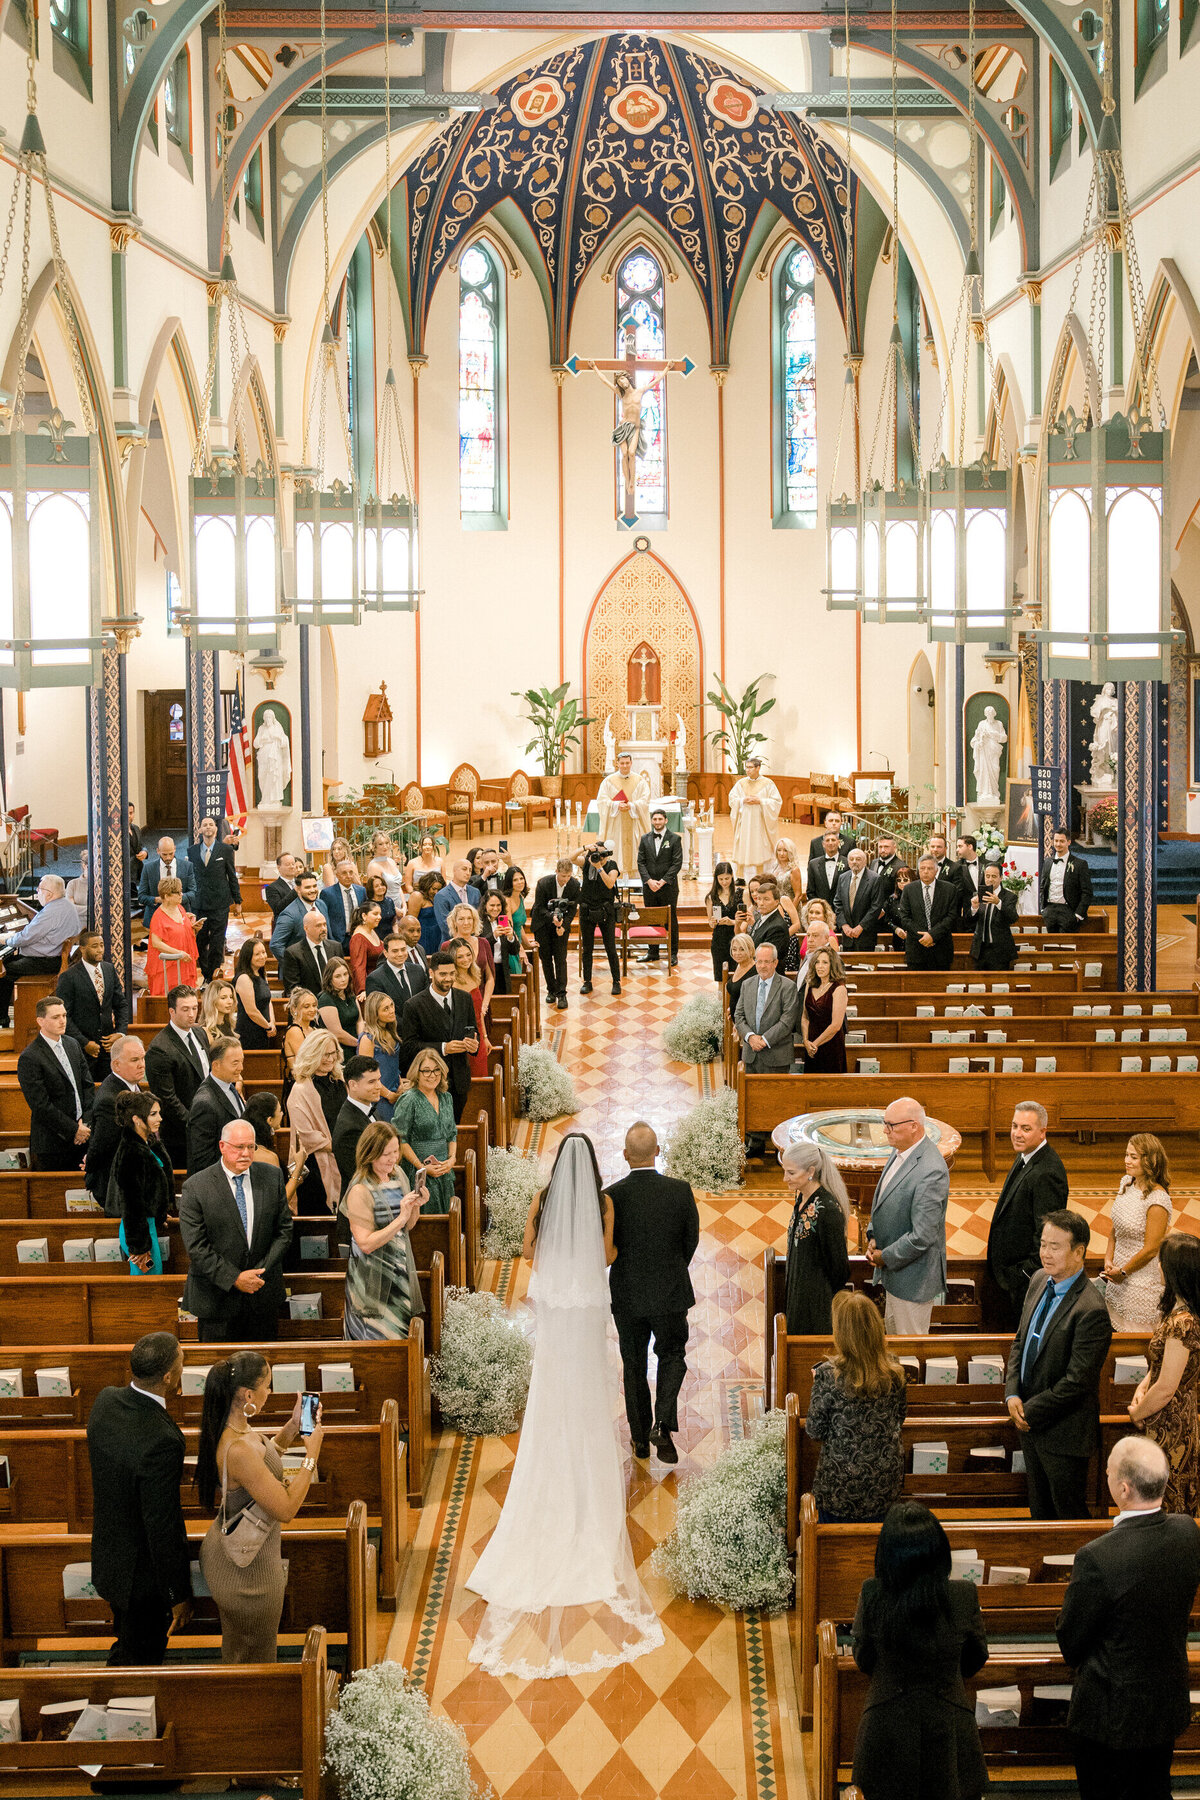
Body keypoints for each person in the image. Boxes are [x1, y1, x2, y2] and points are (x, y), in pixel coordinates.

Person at [467, 1133, 664, 1678]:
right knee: (589, 1390)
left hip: (554, 1305)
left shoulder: (543, 1195)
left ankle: (549, 1463)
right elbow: (606, 1256)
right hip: (586, 1306)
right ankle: (588, 1468)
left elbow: (528, 1250)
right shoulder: (602, 1202)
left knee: (551, 1387)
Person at [1056, 1435, 1200, 1800]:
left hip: (1112, 1715)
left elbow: (1070, 1643)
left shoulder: (1096, 1556)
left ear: (1122, 1488)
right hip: (1164, 1702)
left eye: (1107, 1472)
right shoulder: (1188, 1531)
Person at [850, 1501, 989, 1800]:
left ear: (886, 1554)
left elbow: (863, 1658)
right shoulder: (964, 1594)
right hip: (949, 1721)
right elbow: (976, 1656)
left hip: (886, 1722)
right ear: (939, 1550)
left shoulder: (872, 1593)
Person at [196, 1352, 324, 1662]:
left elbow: (264, 1459)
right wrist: (312, 1455)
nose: (271, 1392)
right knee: (253, 1655)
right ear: (247, 1394)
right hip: (244, 1570)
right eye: (267, 1385)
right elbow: (286, 1509)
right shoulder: (236, 1448)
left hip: (247, 1554)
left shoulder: (236, 1427)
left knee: (244, 1649)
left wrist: (294, 1427)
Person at [86, 1332, 192, 1665]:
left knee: (127, 1640)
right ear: (168, 1378)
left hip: (109, 1560)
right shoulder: (163, 1439)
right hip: (142, 1579)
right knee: (138, 1659)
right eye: (182, 1363)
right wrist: (177, 1594)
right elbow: (163, 1526)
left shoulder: (105, 1401)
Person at [1005, 1209, 1113, 1518]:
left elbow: (1077, 1383)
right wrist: (1012, 1393)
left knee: (1067, 1516)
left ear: (1079, 1252)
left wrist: (1029, 1410)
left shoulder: (1091, 1309)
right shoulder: (1040, 1279)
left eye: (1055, 1246)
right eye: (1043, 1244)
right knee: (1039, 1513)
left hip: (1062, 1434)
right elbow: (1020, 1341)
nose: (1045, 1253)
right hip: (1028, 1424)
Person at [606, 1121, 699, 1464]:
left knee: (633, 1364)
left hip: (628, 1294)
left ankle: (640, 1440)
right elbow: (691, 1239)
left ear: (626, 1154)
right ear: (658, 1152)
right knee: (672, 1354)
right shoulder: (680, 1190)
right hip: (670, 1292)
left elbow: (608, 1246)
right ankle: (662, 1422)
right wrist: (674, 1268)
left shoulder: (612, 1196)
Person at [180, 1119, 293, 1341]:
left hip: (262, 1296)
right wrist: (235, 1278)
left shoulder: (272, 1177)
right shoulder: (196, 1186)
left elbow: (284, 1231)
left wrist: (259, 1272)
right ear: (222, 1146)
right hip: (217, 1300)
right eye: (239, 1147)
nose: (245, 1153)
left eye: (251, 1147)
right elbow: (197, 1247)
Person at [805, 1292, 907, 1522]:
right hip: (884, 1486)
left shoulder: (827, 1375)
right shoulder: (895, 1370)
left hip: (839, 1490)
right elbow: (900, 1416)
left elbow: (814, 1430)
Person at [1127, 1233, 1200, 1513]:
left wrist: (1137, 1412)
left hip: (1172, 1426)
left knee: (1168, 1501)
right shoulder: (1175, 1314)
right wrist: (1143, 1387)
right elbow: (1158, 1370)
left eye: (1161, 1262)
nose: (1157, 1266)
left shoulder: (1184, 1324)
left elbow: (1168, 1386)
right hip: (1161, 1418)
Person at [866, 1097, 949, 1335]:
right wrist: (873, 1236)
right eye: (885, 1123)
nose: (885, 1130)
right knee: (894, 1346)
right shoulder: (901, 1150)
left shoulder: (931, 1170)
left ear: (914, 1125)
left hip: (913, 1280)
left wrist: (885, 1257)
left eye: (892, 1125)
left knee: (909, 1353)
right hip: (895, 1273)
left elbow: (922, 1236)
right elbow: (885, 1200)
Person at [985, 1100, 1071, 1324]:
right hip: (1005, 1279)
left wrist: (1020, 1276)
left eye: (1026, 1128)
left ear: (1042, 1132)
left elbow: (1048, 1236)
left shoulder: (1047, 1173)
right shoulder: (1025, 1156)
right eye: (1014, 1126)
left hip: (1021, 1285)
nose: (1017, 1134)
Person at [343, 1121, 426, 1338]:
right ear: (370, 1154)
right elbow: (366, 1243)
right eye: (386, 1154)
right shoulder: (360, 1189)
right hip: (371, 1277)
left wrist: (415, 1205)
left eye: (396, 1151)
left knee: (400, 1336)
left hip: (398, 1270)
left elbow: (409, 1224)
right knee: (375, 1338)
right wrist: (401, 1218)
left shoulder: (398, 1174)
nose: (393, 1159)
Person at [780, 1138, 852, 1334]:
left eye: (791, 1173)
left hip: (817, 1305)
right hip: (798, 1295)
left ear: (811, 1171)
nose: (785, 1178)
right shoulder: (802, 1198)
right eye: (785, 1171)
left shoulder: (826, 1209)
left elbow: (839, 1267)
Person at [1103, 1132, 1172, 1331]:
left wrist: (1123, 1272)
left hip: (1140, 1284)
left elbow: (1151, 1249)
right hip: (1116, 1278)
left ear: (1150, 1161)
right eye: (1126, 1155)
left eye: (1133, 1157)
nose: (1127, 1161)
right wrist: (1109, 1259)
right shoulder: (1126, 1182)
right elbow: (1115, 1227)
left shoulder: (1157, 1200)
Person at [399, 951, 478, 1122]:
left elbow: (471, 1029)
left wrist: (473, 1045)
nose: (448, 978)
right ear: (431, 973)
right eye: (443, 974)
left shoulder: (464, 998)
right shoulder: (413, 1005)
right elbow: (409, 1046)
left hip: (459, 1081)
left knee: (455, 1127)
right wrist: (443, 1047)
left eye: (452, 973)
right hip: (430, 1081)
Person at [17, 995, 94, 1170]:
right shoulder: (30, 1057)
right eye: (55, 1017)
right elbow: (41, 1106)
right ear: (40, 1021)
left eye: (64, 1016)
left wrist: (86, 1124)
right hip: (53, 1143)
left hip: (84, 1135)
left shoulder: (73, 1044)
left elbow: (87, 1086)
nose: (62, 1021)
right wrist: (74, 1130)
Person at [0, 873, 82, 1027]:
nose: (37, 893)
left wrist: (6, 939)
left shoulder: (51, 912)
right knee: (8, 961)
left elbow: (25, 938)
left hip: (45, 962)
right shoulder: (65, 905)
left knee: (4, 972)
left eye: (39, 890)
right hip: (52, 957)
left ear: (49, 894)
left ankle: (2, 1017)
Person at [145, 986, 210, 1171]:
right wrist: (195, 1125)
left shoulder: (200, 1033)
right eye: (185, 1009)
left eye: (195, 1008)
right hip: (182, 1135)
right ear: (171, 1011)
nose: (192, 1014)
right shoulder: (160, 1048)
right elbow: (168, 1100)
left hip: (205, 1126)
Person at [110, 1090, 174, 1272]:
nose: (160, 1118)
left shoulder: (146, 1143)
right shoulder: (131, 1152)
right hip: (139, 1233)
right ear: (137, 1119)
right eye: (153, 1114)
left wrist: (160, 1213)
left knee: (154, 1276)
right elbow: (131, 1202)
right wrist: (139, 1247)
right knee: (147, 1283)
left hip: (147, 1226)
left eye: (159, 1113)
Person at [57, 928, 129, 1080]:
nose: (100, 950)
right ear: (82, 949)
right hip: (82, 1048)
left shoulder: (109, 969)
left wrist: (120, 1033)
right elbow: (64, 1016)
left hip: (108, 1046)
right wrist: (84, 1043)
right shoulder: (69, 977)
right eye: (94, 946)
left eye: (101, 945)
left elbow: (121, 1004)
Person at [392, 1048, 458, 1213]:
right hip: (418, 1172)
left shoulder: (446, 1097)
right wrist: (421, 1167)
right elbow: (400, 1138)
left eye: (436, 1070)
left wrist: (452, 1159)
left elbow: (452, 1134)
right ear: (417, 1073)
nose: (432, 1075)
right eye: (426, 1071)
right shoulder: (409, 1100)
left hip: (443, 1171)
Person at [287, 1030, 346, 1214]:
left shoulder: (339, 1082)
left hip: (343, 1160)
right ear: (313, 1054)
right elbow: (305, 1135)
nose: (330, 1059)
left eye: (333, 1053)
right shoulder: (301, 1089)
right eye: (325, 1054)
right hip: (316, 1168)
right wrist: (340, 1145)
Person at [86, 1032, 146, 1207]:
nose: (142, 1065)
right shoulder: (110, 1100)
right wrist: (89, 1161)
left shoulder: (132, 1086)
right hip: (117, 1186)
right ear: (116, 1065)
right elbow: (102, 1146)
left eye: (143, 1058)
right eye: (135, 1060)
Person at [188, 815, 242, 982]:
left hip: (220, 903)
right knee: (200, 941)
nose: (208, 827)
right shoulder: (192, 851)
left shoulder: (225, 850)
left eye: (211, 824)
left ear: (216, 829)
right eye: (205, 825)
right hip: (200, 903)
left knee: (217, 943)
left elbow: (231, 876)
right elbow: (189, 877)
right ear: (200, 830)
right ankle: (205, 974)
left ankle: (213, 976)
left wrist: (238, 901)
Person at [734, 942, 798, 1077]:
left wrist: (763, 1040)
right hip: (750, 1054)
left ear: (775, 963)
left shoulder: (788, 986)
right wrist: (750, 1037)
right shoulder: (747, 984)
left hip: (776, 1056)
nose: (762, 966)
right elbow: (739, 1016)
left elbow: (787, 1021)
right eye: (759, 961)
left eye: (767, 962)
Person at [186, 1035, 246, 1177]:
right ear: (216, 1065)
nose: (241, 1068)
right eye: (235, 1063)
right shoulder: (204, 1104)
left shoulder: (229, 1087)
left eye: (242, 1061)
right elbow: (203, 1159)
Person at [244, 1090, 308, 1213]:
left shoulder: (254, 1146)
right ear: (269, 1120)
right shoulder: (265, 1156)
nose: (283, 1114)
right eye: (279, 1111)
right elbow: (279, 1201)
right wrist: (299, 1166)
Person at [531, 858, 581, 1010]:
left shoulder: (574, 884)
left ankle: (561, 993)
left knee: (560, 959)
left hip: (561, 926)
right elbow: (538, 908)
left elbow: (572, 909)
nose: (565, 880)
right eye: (563, 876)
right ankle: (551, 990)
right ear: (556, 871)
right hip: (543, 925)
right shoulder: (543, 883)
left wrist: (564, 926)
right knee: (546, 959)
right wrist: (552, 918)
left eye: (568, 876)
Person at [636, 807, 682, 966]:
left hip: (668, 887)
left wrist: (662, 881)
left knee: (671, 919)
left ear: (666, 820)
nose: (657, 822)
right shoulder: (644, 838)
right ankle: (652, 951)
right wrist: (648, 881)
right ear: (651, 821)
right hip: (649, 887)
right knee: (652, 918)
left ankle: (673, 953)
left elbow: (677, 863)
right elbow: (640, 862)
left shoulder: (675, 839)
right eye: (654, 819)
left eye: (660, 819)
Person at [332, 1054, 385, 1194]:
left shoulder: (370, 1110)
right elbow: (361, 1176)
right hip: (362, 1206)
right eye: (371, 1082)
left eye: (379, 1079)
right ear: (353, 1085)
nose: (379, 1086)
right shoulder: (350, 1128)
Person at [896, 853, 958, 971]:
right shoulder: (909, 889)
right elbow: (904, 917)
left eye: (929, 868)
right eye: (922, 868)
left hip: (941, 949)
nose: (925, 871)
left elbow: (951, 917)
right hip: (916, 949)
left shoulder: (949, 889)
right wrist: (923, 936)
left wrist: (932, 935)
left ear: (936, 870)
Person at [576, 838, 621, 995]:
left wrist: (599, 868)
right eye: (596, 854)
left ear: (607, 854)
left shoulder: (612, 865)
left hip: (605, 911)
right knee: (587, 948)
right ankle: (587, 981)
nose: (598, 857)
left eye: (601, 854)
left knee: (610, 948)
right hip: (586, 910)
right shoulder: (587, 862)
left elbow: (610, 883)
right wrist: (585, 847)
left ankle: (616, 981)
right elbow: (570, 858)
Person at [596, 751, 652, 874]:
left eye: (627, 763)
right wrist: (616, 805)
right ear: (618, 764)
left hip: (633, 821)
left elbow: (645, 800)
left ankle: (636, 878)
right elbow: (602, 800)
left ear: (631, 763)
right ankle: (616, 874)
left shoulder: (640, 780)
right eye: (622, 763)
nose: (625, 766)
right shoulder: (608, 781)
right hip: (616, 823)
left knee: (635, 850)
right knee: (616, 849)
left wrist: (631, 806)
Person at [729, 755, 782, 878]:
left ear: (758, 768)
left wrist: (761, 801)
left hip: (760, 823)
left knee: (759, 847)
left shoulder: (768, 783)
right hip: (745, 823)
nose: (747, 770)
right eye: (746, 767)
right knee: (743, 846)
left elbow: (776, 801)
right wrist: (742, 800)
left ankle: (761, 875)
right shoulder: (740, 783)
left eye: (750, 767)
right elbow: (732, 799)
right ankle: (741, 876)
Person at [145, 877, 200, 996]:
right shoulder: (158, 917)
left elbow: (182, 931)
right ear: (166, 896)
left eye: (181, 891)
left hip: (184, 960)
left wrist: (194, 927)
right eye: (178, 892)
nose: (181, 895)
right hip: (169, 964)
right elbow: (156, 943)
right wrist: (179, 953)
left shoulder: (180, 908)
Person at [800, 945, 848, 1074]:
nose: (820, 966)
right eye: (817, 962)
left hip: (830, 1045)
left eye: (825, 962)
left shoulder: (839, 988)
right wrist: (805, 1041)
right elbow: (805, 1016)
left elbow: (836, 1025)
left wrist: (815, 1044)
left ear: (832, 965)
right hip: (810, 1044)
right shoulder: (810, 984)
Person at [447, 936, 491, 1077]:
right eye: (460, 957)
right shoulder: (453, 982)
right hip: (465, 1040)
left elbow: (478, 1013)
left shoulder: (474, 974)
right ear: (453, 959)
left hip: (479, 1036)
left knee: (482, 1075)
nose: (466, 959)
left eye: (468, 955)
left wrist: (484, 1037)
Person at [1039, 827, 1093, 929]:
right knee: (1049, 944)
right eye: (1056, 841)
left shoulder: (1080, 864)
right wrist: (1043, 908)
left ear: (1068, 842)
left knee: (1067, 944)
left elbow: (1087, 892)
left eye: (1062, 841)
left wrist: (1078, 915)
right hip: (1049, 911)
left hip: (1069, 911)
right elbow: (1043, 886)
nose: (1058, 844)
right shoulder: (1047, 862)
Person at [358, 990, 401, 1117]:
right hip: (379, 1099)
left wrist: (400, 1085)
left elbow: (393, 1066)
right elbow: (366, 1074)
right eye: (386, 1009)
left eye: (391, 1005)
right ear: (375, 1014)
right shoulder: (368, 1039)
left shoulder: (392, 1032)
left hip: (395, 1095)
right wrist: (388, 1094)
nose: (391, 1010)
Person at [137, 836, 197, 925]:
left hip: (180, 918)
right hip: (155, 919)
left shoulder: (187, 866)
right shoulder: (148, 868)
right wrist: (156, 900)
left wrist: (177, 899)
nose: (168, 857)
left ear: (175, 849)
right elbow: (141, 897)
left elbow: (193, 893)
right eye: (164, 854)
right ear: (158, 851)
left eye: (171, 853)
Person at [269, 870, 324, 966]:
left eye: (314, 886)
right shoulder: (289, 914)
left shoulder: (321, 905)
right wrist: (294, 964)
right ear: (298, 890)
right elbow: (276, 945)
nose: (312, 890)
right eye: (307, 887)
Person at [970, 862, 1018, 968]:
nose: (990, 879)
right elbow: (968, 922)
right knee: (978, 983)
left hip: (1000, 950)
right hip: (980, 949)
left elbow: (1013, 918)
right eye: (987, 876)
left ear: (1001, 877)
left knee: (999, 983)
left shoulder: (1009, 897)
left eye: (994, 876)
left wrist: (998, 903)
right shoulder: (978, 895)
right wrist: (974, 907)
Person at [834, 848, 884, 953]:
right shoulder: (843, 877)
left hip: (865, 934)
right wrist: (844, 925)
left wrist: (860, 927)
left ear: (865, 861)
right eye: (851, 859)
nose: (854, 862)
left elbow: (876, 907)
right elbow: (838, 903)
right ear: (848, 862)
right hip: (847, 934)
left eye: (858, 859)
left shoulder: (875, 879)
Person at [232, 936, 276, 1050]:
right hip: (249, 1031)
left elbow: (268, 1000)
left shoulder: (261, 973)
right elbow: (251, 1011)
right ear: (248, 957)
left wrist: (272, 1022)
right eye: (257, 954)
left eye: (264, 952)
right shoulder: (244, 978)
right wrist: (267, 1026)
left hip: (264, 1028)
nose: (262, 956)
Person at [367, 929, 426, 1011]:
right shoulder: (375, 979)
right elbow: (378, 1010)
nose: (400, 954)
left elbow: (425, 1000)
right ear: (386, 953)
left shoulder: (418, 970)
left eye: (403, 949)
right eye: (395, 951)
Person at [280, 906, 331, 999]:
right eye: (318, 925)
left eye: (325, 924)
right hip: (308, 1006)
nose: (323, 929)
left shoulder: (335, 947)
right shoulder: (293, 953)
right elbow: (293, 988)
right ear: (306, 928)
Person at [479, 888, 524, 994]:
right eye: (492, 905)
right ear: (485, 906)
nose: (495, 908)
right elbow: (479, 947)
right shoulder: (479, 924)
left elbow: (514, 951)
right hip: (486, 971)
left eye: (498, 905)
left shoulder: (505, 921)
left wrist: (510, 937)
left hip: (502, 970)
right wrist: (494, 936)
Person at [318, 859, 366, 954]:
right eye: (344, 873)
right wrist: (331, 940)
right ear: (337, 875)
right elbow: (325, 918)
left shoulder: (361, 891)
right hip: (338, 940)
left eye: (351, 872)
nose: (348, 876)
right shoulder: (328, 893)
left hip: (359, 937)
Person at [706, 862, 743, 981]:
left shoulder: (740, 894)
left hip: (736, 938)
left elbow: (745, 921)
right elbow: (710, 923)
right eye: (721, 879)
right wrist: (713, 922)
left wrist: (732, 922)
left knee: (737, 974)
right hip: (719, 939)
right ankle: (721, 998)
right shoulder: (711, 897)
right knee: (720, 975)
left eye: (727, 878)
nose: (724, 882)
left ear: (732, 876)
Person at [317, 955, 362, 1051]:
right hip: (339, 1049)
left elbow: (359, 1021)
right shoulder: (325, 999)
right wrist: (359, 1044)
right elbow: (337, 1034)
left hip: (357, 1045)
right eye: (338, 976)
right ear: (329, 978)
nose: (343, 979)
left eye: (345, 974)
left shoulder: (350, 994)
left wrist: (362, 1039)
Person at [282, 986, 318, 1092]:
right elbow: (306, 1062)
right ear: (294, 1009)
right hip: (300, 1085)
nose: (312, 1010)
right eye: (306, 1007)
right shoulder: (295, 1031)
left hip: (314, 1081)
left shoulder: (313, 1029)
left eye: (314, 1005)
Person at [433, 859, 481, 938]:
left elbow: (478, 919)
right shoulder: (441, 895)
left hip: (473, 941)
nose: (468, 873)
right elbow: (444, 925)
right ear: (454, 871)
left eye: (470, 870)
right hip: (451, 943)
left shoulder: (475, 892)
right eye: (464, 869)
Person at [749, 877, 791, 964]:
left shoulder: (777, 927)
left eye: (766, 899)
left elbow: (766, 959)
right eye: (759, 899)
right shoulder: (761, 918)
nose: (761, 903)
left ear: (776, 902)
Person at [806, 828, 849, 908]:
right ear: (823, 844)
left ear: (838, 842)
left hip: (841, 911)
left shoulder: (847, 863)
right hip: (821, 911)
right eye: (827, 840)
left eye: (833, 840)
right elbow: (810, 891)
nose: (830, 843)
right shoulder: (813, 864)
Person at [365, 831, 406, 909]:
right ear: (374, 847)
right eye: (381, 844)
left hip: (399, 905)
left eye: (387, 843)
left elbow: (398, 886)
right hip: (385, 908)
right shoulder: (373, 866)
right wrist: (394, 910)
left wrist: (404, 905)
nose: (385, 846)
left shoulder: (391, 861)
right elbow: (376, 893)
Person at [411, 870, 448, 956]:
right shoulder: (417, 896)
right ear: (426, 886)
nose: (436, 892)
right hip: (423, 937)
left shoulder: (441, 897)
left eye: (439, 889)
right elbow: (411, 920)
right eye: (433, 889)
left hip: (439, 936)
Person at [883, 864, 914, 953]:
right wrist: (896, 929)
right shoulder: (892, 898)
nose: (902, 882)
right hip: (897, 938)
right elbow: (887, 920)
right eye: (899, 880)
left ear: (912, 880)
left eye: (905, 880)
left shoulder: (918, 897)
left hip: (914, 938)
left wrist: (912, 931)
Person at [724, 930, 756, 1018]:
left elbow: (752, 1005)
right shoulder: (739, 965)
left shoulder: (755, 972)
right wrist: (732, 1008)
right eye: (734, 949)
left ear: (750, 950)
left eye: (742, 949)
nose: (737, 953)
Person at [263, 851, 303, 918]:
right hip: (286, 921)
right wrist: (295, 890)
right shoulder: (272, 888)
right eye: (288, 864)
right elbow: (277, 909)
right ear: (279, 867)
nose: (292, 867)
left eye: (293, 864)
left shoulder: (301, 882)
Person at [199, 977, 238, 1045]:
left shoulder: (230, 1024)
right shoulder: (205, 1030)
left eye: (231, 997)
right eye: (223, 998)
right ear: (212, 1001)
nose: (230, 1002)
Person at [362, 872, 397, 939]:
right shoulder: (367, 905)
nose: (380, 887)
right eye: (376, 886)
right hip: (374, 939)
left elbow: (394, 923)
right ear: (371, 889)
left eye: (382, 884)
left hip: (390, 938)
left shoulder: (389, 901)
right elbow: (366, 928)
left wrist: (397, 936)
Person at [128, 802, 148, 899]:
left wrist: (144, 851)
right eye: (127, 813)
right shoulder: (116, 832)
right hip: (128, 871)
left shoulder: (136, 828)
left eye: (131, 813)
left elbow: (140, 845)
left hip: (138, 867)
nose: (129, 816)